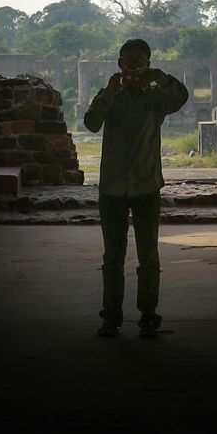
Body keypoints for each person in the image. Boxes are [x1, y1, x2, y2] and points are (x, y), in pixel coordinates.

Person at [83, 38, 189, 338]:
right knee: (113, 259)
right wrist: (109, 92)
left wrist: (161, 78)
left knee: (148, 257)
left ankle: (148, 316)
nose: (135, 68)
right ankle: (111, 317)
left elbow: (181, 97)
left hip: (145, 187)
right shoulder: (110, 96)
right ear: (120, 65)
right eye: (130, 62)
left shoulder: (156, 98)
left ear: (148, 64)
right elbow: (91, 123)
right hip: (113, 189)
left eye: (141, 62)